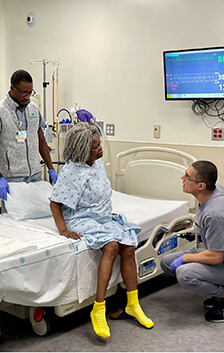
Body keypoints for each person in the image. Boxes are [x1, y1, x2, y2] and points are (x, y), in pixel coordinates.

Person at [49, 122, 154, 339]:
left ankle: (133, 303)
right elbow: (55, 203)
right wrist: (63, 230)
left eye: (99, 144)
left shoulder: (96, 165)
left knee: (128, 246)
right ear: (82, 149)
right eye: (95, 147)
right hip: (81, 218)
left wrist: (106, 212)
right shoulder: (71, 171)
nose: (100, 149)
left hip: (102, 217)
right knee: (112, 246)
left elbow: (100, 193)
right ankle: (98, 308)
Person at [160, 160, 224, 323]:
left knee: (184, 273)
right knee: (167, 262)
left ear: (201, 186)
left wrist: (186, 259)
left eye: (187, 176)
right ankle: (220, 287)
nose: (182, 177)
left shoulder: (215, 214)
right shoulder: (218, 190)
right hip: (218, 255)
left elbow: (216, 257)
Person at [0, 69, 58, 203]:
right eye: (24, 92)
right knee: (14, 220)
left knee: (39, 215)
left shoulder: (33, 108)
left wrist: (51, 169)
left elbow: (41, 140)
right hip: (12, 178)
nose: (27, 97)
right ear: (12, 88)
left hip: (35, 175)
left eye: (30, 92)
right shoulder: (1, 111)